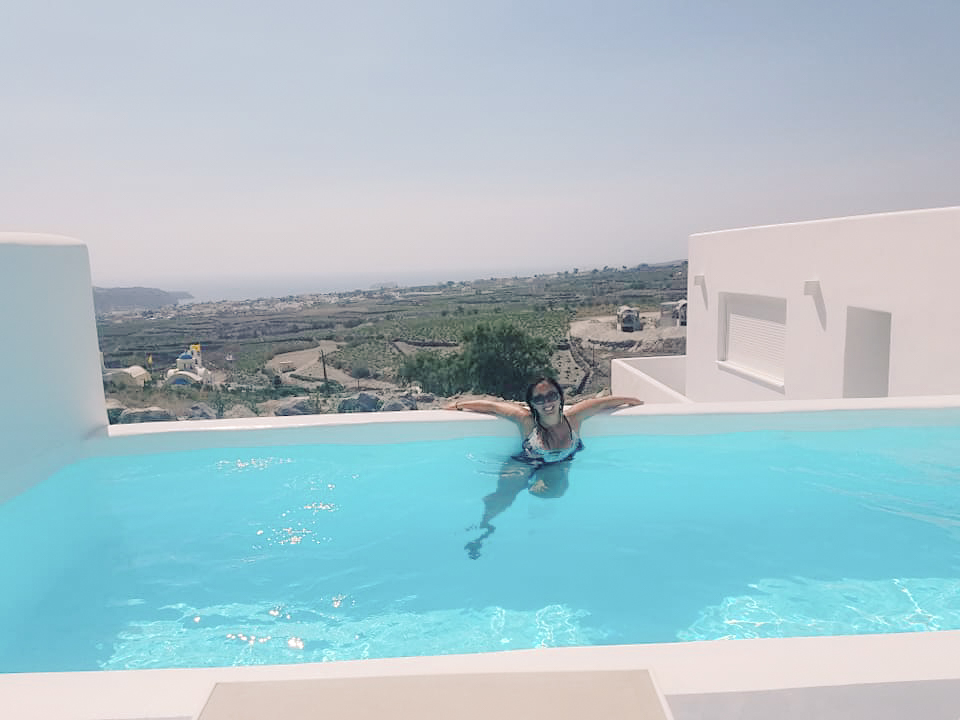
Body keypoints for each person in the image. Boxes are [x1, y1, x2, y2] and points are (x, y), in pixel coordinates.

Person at [447, 377, 643, 558]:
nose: (547, 402)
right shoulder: (527, 420)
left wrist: (633, 401)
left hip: (555, 466)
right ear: (532, 404)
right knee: (505, 495)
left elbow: (603, 402)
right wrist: (457, 405)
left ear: (560, 397)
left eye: (551, 396)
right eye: (539, 399)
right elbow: (495, 407)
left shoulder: (573, 419)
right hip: (524, 463)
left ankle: (535, 499)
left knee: (557, 490)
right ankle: (484, 528)